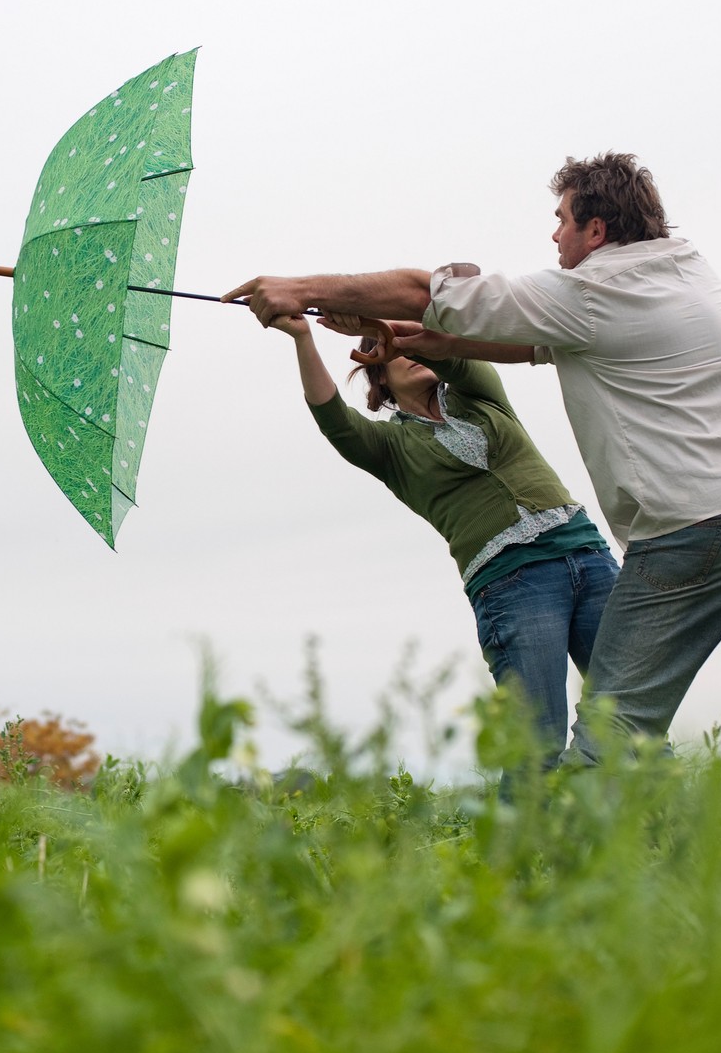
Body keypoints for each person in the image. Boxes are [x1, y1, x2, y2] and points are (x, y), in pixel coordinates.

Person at [224, 153, 721, 784]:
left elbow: (429, 290)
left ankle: (564, 909)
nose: (554, 234)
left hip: (692, 539)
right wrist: (411, 336)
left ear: (595, 231)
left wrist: (299, 288)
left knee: (612, 744)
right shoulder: (689, 269)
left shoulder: (587, 297)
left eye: (563, 219)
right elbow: (530, 342)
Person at [260, 309, 617, 770]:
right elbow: (334, 419)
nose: (410, 350)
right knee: (536, 744)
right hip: (514, 584)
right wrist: (302, 337)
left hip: (587, 555)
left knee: (628, 717)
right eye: (396, 351)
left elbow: (459, 357)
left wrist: (398, 330)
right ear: (381, 380)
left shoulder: (477, 395)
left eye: (414, 342)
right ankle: (531, 842)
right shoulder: (389, 448)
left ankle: (657, 837)